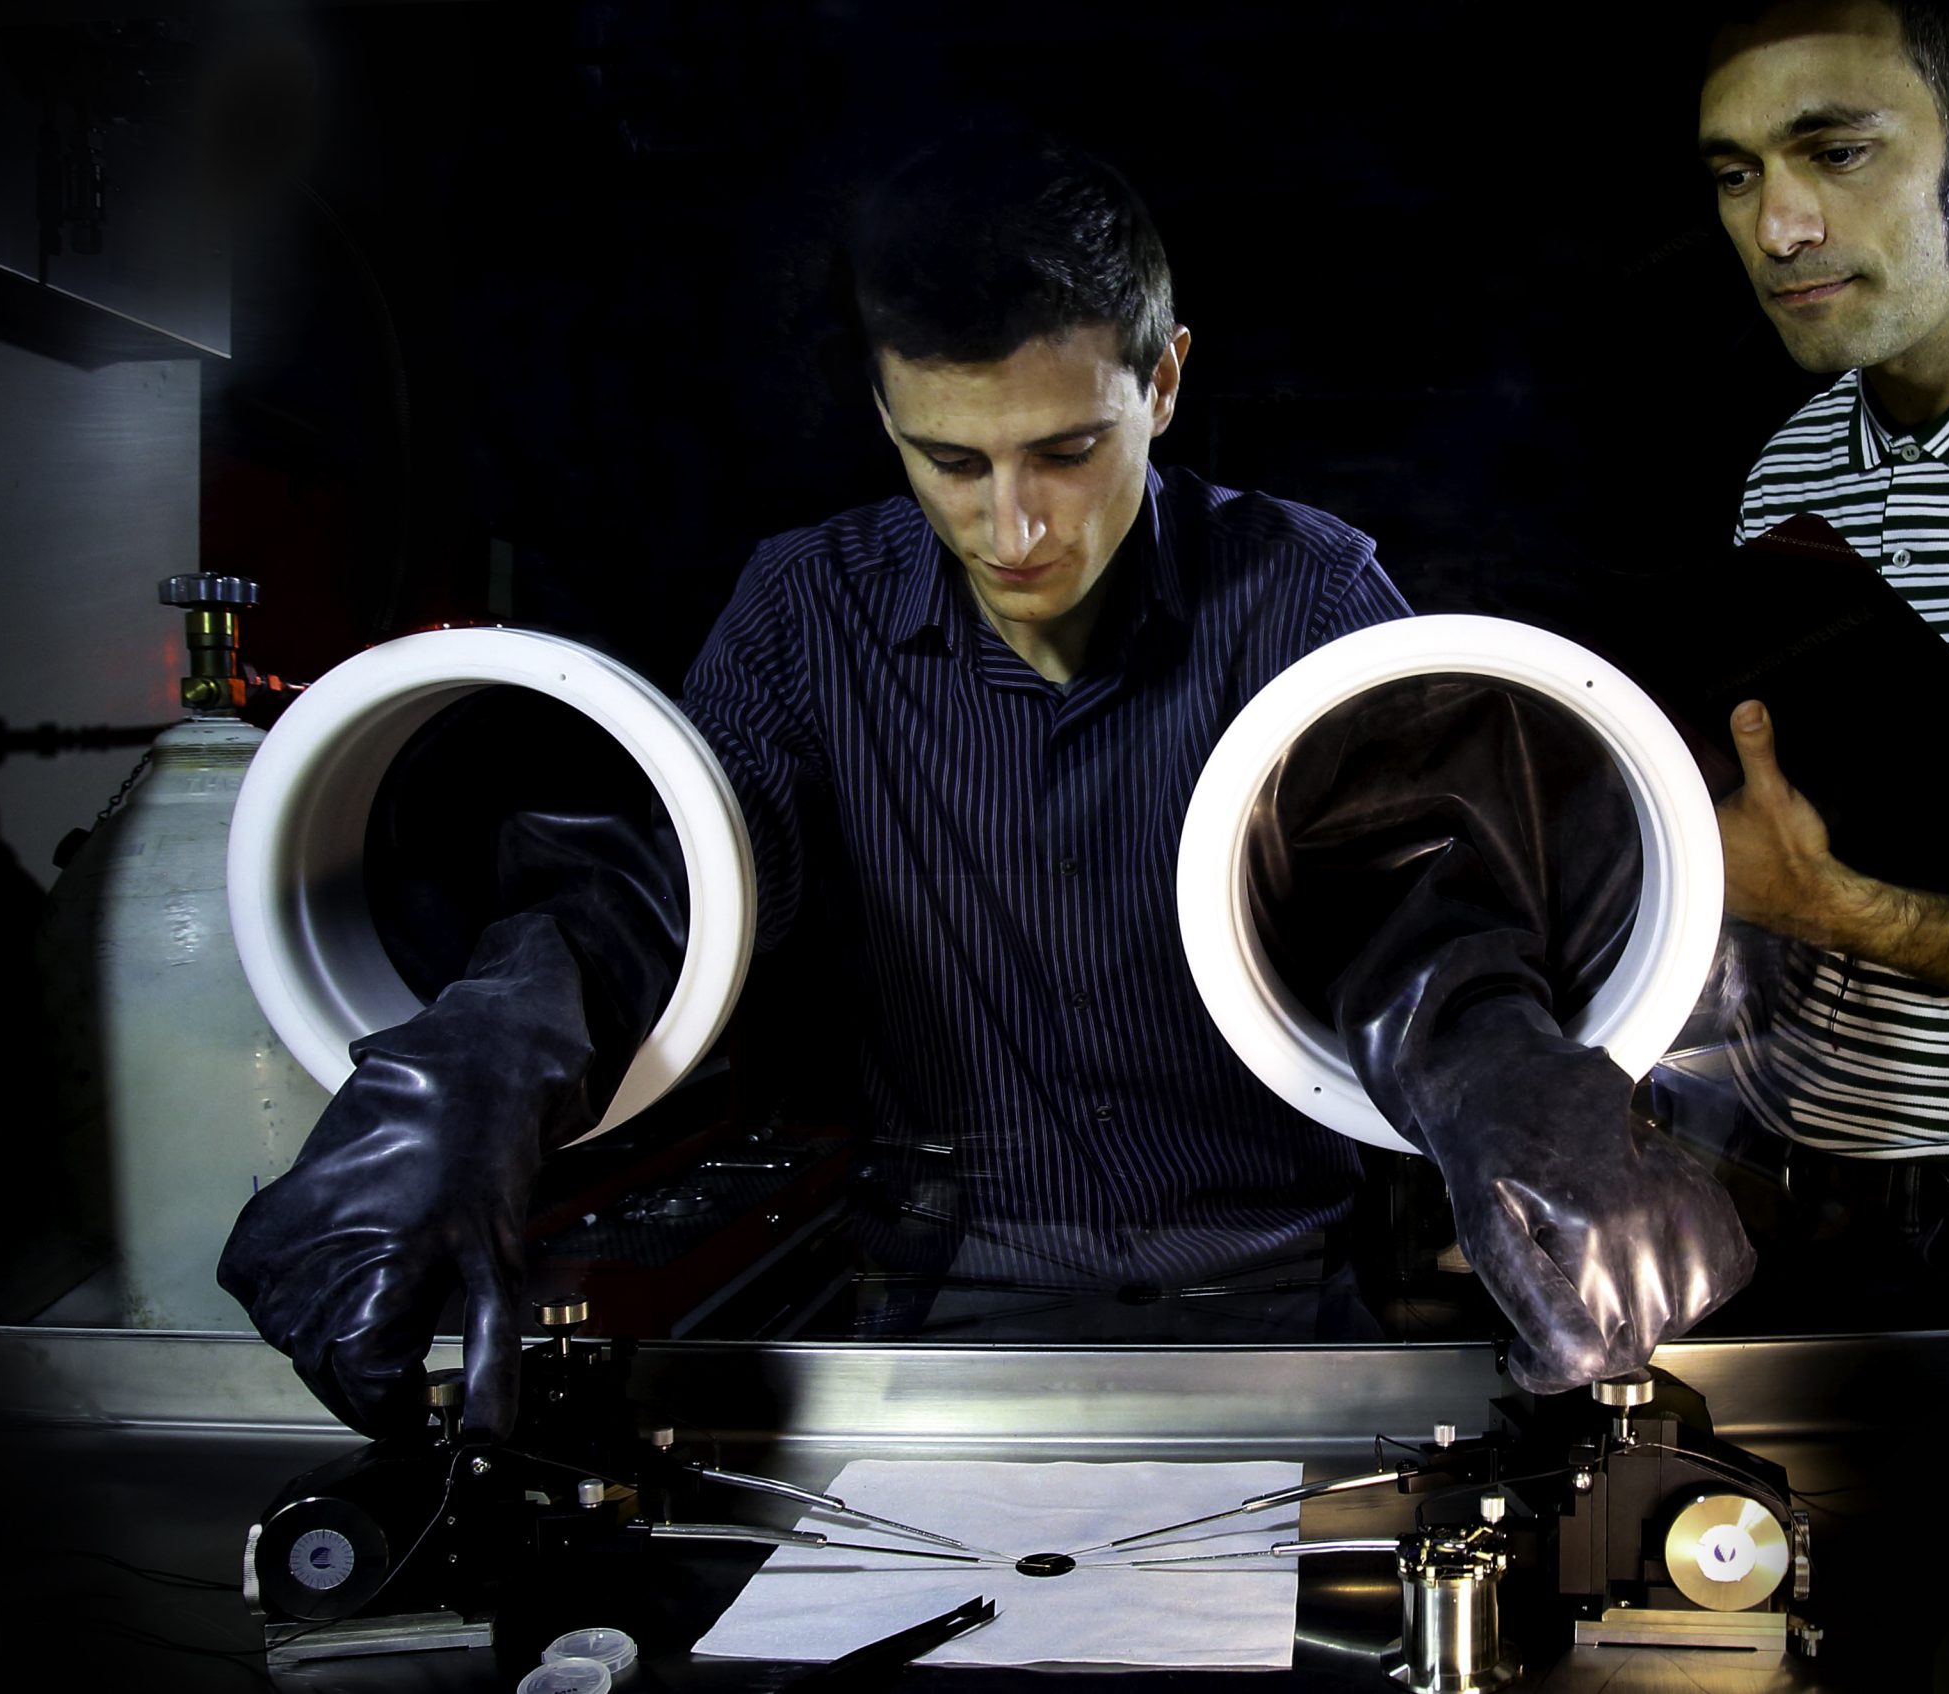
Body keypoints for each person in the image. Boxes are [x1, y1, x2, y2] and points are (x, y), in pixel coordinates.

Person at [219, 131, 1751, 1437]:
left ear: (1165, 382)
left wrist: (1506, 1077)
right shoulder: (805, 611)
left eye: (1068, 448)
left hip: (1280, 1296)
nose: (1013, 524)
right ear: (886, 415)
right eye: (951, 460)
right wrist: (489, 1047)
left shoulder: (1309, 592)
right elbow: (673, 875)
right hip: (939, 1304)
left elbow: (1415, 879)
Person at [1691, 0, 1949, 1309]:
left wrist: (1838, 907)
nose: (1777, 228)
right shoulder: (1788, 467)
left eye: (1836, 152)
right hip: (1804, 1199)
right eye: (1737, 175)